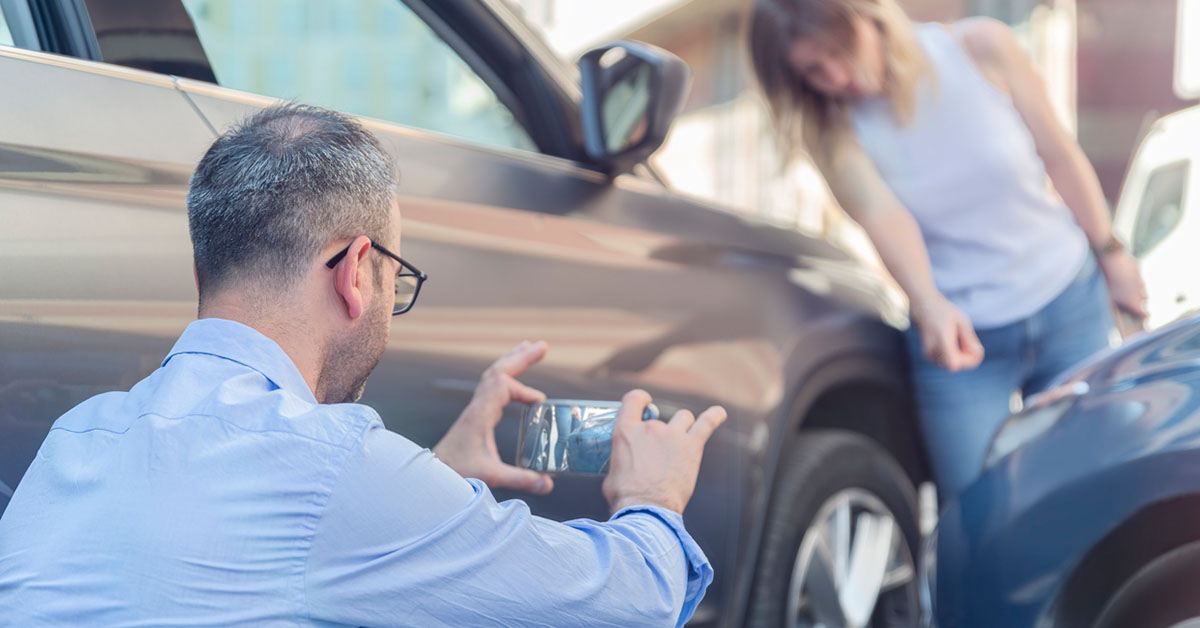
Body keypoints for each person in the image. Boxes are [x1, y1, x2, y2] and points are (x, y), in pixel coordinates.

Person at [0, 104, 727, 627]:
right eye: (394, 277)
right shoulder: (330, 464)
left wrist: (442, 475)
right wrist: (652, 500)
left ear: (202, 269)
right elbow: (625, 602)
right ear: (355, 271)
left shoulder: (77, 438)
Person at [747, 0, 1147, 499]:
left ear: (868, 16)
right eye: (812, 70)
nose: (836, 74)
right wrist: (927, 300)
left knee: (1102, 481)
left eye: (837, 49)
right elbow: (883, 216)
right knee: (976, 513)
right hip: (960, 342)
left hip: (1068, 303)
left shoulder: (981, 48)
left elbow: (1059, 154)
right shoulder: (831, 128)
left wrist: (1112, 254)